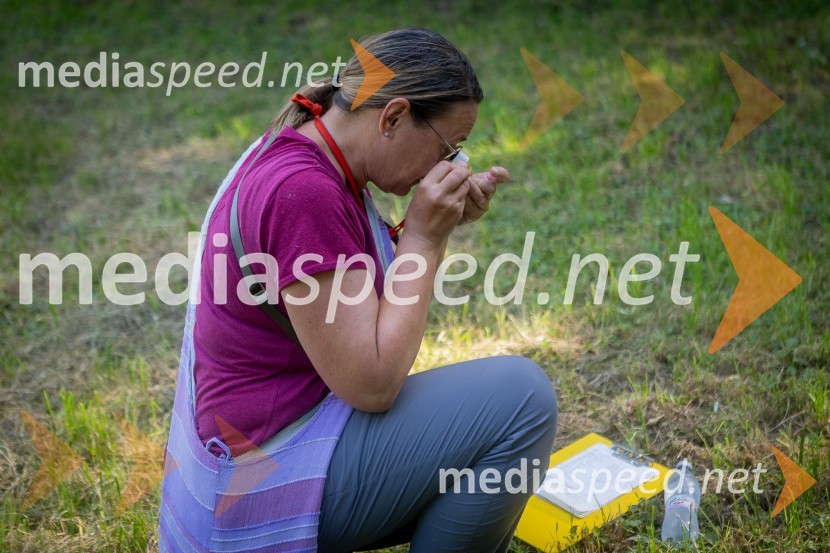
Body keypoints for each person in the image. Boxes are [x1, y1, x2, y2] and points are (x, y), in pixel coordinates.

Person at [158, 27, 558, 553]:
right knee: (521, 401)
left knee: (491, 416)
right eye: (447, 148)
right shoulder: (304, 194)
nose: (450, 167)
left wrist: (432, 226)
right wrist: (423, 238)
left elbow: (346, 294)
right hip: (251, 496)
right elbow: (372, 383)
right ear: (392, 118)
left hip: (241, 472)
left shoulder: (302, 148)